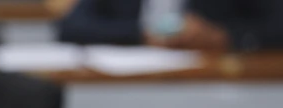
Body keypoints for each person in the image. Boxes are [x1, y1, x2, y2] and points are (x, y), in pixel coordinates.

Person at [58, 0, 283, 51]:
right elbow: (71, 26)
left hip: (215, 95)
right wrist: (141, 35)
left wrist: (223, 36)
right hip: (132, 96)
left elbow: (277, 24)